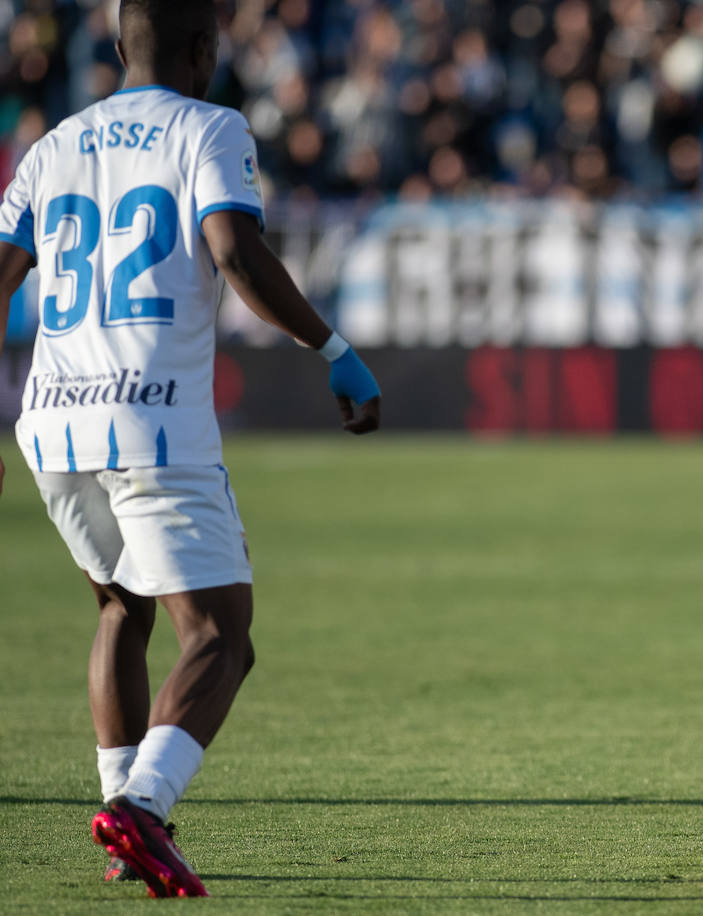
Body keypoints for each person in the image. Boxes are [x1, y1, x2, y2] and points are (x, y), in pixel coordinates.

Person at [0, 0, 381, 896]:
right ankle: (139, 808)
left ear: (121, 45)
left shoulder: (53, 144)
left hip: (52, 422)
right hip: (151, 419)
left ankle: (119, 816)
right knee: (218, 635)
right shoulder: (208, 127)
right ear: (204, 49)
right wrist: (334, 351)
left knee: (120, 609)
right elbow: (235, 253)